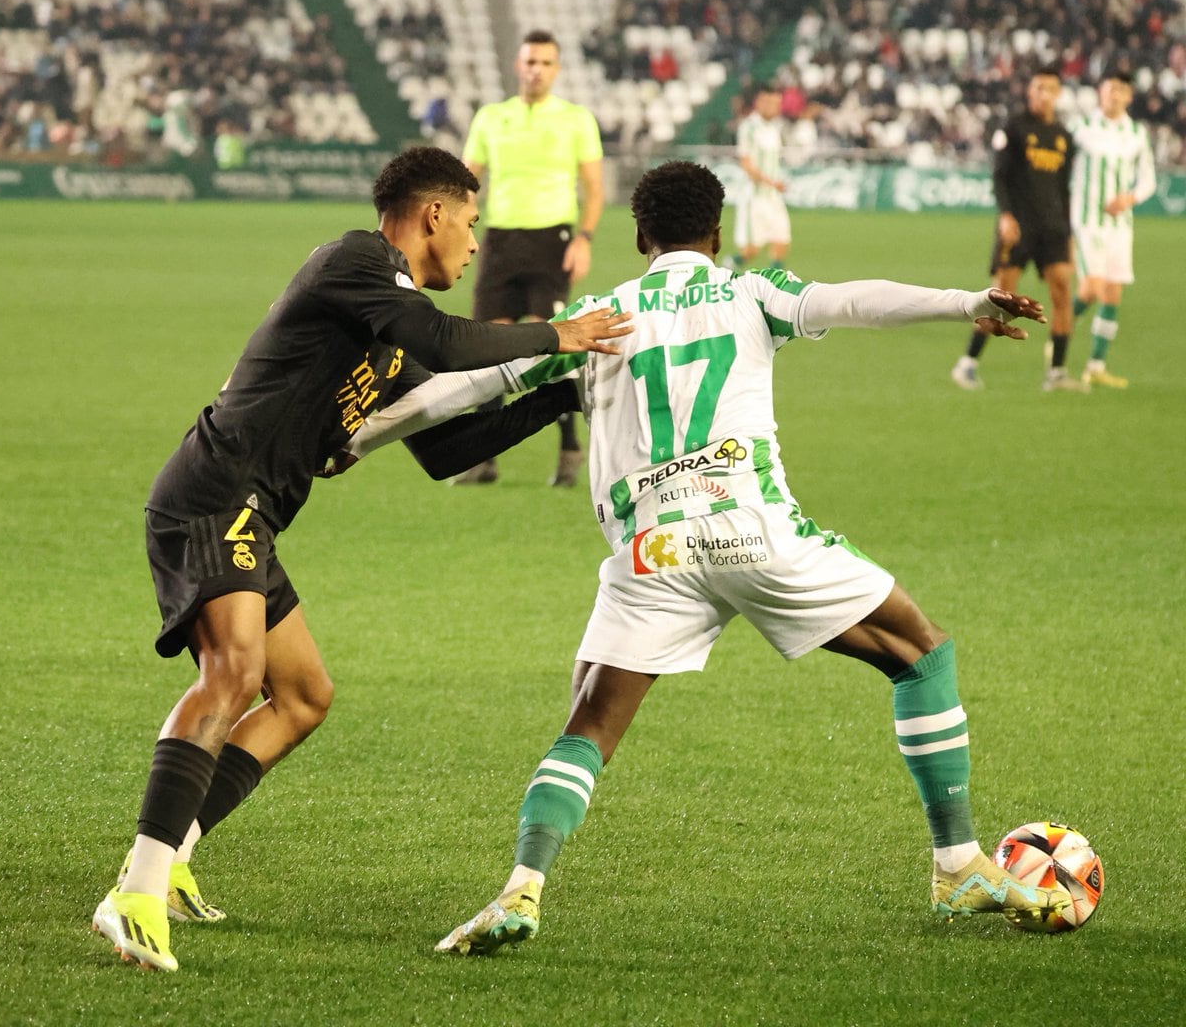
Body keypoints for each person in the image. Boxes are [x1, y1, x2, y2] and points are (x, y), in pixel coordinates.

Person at [339, 160, 1069, 955]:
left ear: (640, 235)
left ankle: (522, 887)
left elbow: (470, 386)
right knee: (920, 655)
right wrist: (967, 302)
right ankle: (958, 863)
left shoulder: (599, 315)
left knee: (588, 721)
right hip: (753, 530)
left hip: (653, 549)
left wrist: (354, 440)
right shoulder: (751, 293)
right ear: (717, 236)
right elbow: (856, 299)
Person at [90, 146, 631, 973]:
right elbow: (447, 342)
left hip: (254, 513)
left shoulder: (387, 326)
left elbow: (447, 447)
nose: (476, 245)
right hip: (214, 493)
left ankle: (172, 857)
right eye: (473, 225)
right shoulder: (356, 263)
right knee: (233, 675)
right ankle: (133, 890)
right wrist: (558, 333)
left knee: (302, 696)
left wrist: (566, 390)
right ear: (434, 215)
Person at [452, 29, 604, 488]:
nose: (536, 70)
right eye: (530, 62)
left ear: (556, 70)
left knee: (548, 345)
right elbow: (464, 182)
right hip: (500, 241)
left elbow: (594, 190)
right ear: (518, 66)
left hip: (551, 241)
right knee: (485, 348)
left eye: (545, 63)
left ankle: (568, 449)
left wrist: (584, 239)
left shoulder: (576, 120)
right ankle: (483, 458)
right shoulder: (491, 118)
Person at [951, 67, 1084, 392]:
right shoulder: (1014, 128)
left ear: (1058, 93)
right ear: (1029, 92)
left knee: (1062, 294)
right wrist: (1006, 216)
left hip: (1053, 229)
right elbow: (999, 176)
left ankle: (1056, 373)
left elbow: (1065, 188)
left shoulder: (1064, 136)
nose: (1043, 94)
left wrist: (1068, 233)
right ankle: (967, 363)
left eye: (1049, 88)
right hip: (1019, 226)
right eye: (1038, 88)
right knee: (1002, 296)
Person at [1068, 71, 1156, 389]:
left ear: (1129, 96)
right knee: (1090, 288)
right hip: (1086, 221)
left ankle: (1096, 365)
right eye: (1109, 89)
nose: (1114, 95)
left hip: (1120, 225)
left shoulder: (1136, 132)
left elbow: (1148, 178)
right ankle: (1061, 331)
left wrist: (1130, 197)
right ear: (1099, 93)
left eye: (1121, 90)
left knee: (1112, 293)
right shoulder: (1080, 128)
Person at [731, 84, 791, 270]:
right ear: (760, 102)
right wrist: (772, 182)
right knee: (750, 252)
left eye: (777, 103)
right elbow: (746, 164)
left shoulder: (773, 128)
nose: (776, 107)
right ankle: (723, 274)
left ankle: (775, 291)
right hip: (754, 197)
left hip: (773, 196)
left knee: (781, 242)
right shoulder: (749, 128)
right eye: (772, 103)